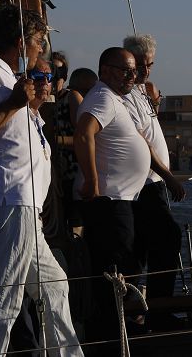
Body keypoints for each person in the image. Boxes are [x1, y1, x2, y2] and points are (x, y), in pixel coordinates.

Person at [0, 5, 82, 356]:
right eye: (38, 42)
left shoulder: (7, 77)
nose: (40, 50)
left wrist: (27, 105)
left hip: (23, 206)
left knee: (55, 285)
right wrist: (14, 103)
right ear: (20, 42)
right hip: (10, 201)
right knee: (4, 297)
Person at [74, 47, 152, 352]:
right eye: (126, 70)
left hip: (121, 200)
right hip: (108, 202)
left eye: (134, 71)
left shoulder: (114, 99)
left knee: (121, 267)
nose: (132, 76)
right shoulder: (102, 97)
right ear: (105, 70)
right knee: (112, 272)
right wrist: (92, 179)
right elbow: (84, 134)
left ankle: (115, 332)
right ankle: (108, 339)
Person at [122, 34, 186, 328]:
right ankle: (156, 309)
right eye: (142, 65)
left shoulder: (141, 93)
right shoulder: (125, 97)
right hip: (146, 185)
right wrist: (169, 177)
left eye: (151, 65)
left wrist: (155, 104)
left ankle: (144, 308)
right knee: (166, 238)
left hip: (153, 184)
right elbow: (141, 144)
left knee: (147, 247)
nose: (147, 71)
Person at [54, 67, 98, 226]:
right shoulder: (69, 97)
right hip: (64, 173)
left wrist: (55, 141)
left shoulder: (69, 98)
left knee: (74, 223)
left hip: (70, 172)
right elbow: (83, 138)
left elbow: (84, 139)